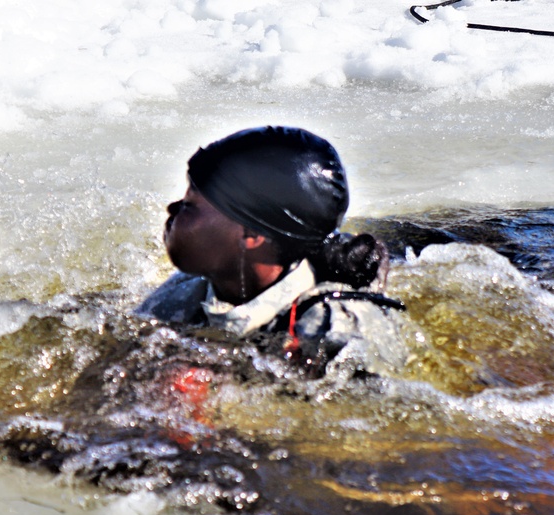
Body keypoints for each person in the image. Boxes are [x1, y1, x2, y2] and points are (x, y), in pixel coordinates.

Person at [137, 126, 411, 378]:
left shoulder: (338, 330)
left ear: (252, 234)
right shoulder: (186, 291)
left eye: (189, 205)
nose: (171, 209)